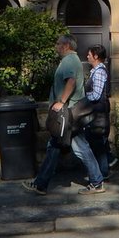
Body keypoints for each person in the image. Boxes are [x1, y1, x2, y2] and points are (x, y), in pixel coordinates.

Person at [21, 34, 106, 195]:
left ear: (66, 45)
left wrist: (61, 101)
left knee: (72, 147)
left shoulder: (69, 61)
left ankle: (96, 181)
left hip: (68, 114)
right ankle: (41, 184)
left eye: (58, 43)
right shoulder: (70, 60)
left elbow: (71, 81)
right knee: (58, 146)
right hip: (69, 114)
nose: (56, 46)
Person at [83, 45, 114, 179]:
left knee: (98, 144)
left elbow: (96, 95)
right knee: (99, 144)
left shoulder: (100, 72)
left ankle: (104, 172)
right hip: (96, 114)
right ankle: (107, 164)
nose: (87, 56)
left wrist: (83, 98)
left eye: (89, 54)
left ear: (96, 56)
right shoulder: (95, 71)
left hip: (99, 115)